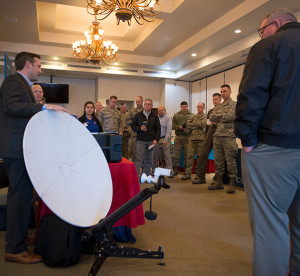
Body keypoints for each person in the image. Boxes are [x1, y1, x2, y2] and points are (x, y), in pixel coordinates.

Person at [234, 9, 300, 276]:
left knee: (270, 226)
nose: (261, 35)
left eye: (261, 30)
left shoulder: (269, 45)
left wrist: (248, 141)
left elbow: (251, 94)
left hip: (274, 149)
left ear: (277, 23)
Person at [0, 52, 67, 264]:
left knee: (23, 198)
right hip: (16, 150)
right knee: (19, 198)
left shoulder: (23, 84)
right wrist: (44, 106)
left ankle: (16, 238)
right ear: (28, 64)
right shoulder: (13, 81)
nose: (40, 70)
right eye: (38, 65)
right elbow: (10, 107)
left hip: (22, 150)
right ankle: (14, 249)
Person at [208, 84, 237, 194]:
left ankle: (232, 183)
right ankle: (219, 182)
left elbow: (231, 116)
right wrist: (222, 115)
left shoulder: (235, 105)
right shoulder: (219, 106)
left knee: (230, 161)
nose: (223, 93)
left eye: (224, 91)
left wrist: (219, 116)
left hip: (229, 136)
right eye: (221, 91)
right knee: (218, 160)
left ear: (230, 91)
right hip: (218, 136)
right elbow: (211, 117)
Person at [193, 93, 221, 184]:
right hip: (209, 134)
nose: (214, 101)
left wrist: (215, 122)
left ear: (220, 100)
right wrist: (206, 137)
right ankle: (201, 177)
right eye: (213, 99)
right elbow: (208, 124)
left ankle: (217, 179)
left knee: (218, 159)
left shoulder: (223, 110)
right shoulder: (210, 111)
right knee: (202, 156)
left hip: (219, 135)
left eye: (216, 99)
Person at [131, 99, 161, 177]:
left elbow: (158, 128)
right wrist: (139, 128)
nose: (147, 105)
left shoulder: (155, 116)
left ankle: (146, 175)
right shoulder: (138, 115)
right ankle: (135, 176)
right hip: (140, 140)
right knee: (138, 159)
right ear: (144, 105)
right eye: (146, 104)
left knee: (149, 159)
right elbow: (133, 126)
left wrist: (156, 139)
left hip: (151, 141)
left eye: (149, 104)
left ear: (152, 106)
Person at [181, 102, 206, 180]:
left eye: (200, 107)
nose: (199, 108)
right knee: (189, 157)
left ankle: (198, 175)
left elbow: (203, 124)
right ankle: (187, 174)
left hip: (201, 140)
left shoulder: (206, 117)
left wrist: (193, 124)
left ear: (204, 108)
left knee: (199, 158)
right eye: (197, 106)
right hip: (192, 139)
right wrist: (196, 124)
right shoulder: (193, 116)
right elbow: (188, 124)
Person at [172, 101, 193, 176]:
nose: (184, 108)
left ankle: (187, 171)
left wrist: (188, 128)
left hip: (188, 137)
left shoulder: (191, 115)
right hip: (179, 137)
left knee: (188, 155)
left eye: (185, 106)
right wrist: (179, 127)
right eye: (182, 106)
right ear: (180, 107)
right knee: (176, 154)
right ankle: (175, 169)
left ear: (187, 106)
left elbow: (193, 126)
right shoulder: (176, 115)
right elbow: (173, 126)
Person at [152, 105, 173, 175]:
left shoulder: (168, 118)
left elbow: (169, 130)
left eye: (162, 110)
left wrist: (166, 140)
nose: (160, 112)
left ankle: (170, 171)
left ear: (165, 110)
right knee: (155, 156)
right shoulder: (156, 118)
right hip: (157, 139)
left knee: (167, 157)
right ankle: (154, 171)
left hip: (164, 139)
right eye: (159, 110)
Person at [125, 96, 144, 162]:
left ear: (142, 101)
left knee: (143, 154)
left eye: (139, 102)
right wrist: (136, 123)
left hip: (144, 135)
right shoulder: (132, 111)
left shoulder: (145, 111)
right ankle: (134, 169)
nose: (137, 103)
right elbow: (127, 121)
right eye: (136, 102)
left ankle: (143, 170)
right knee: (134, 154)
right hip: (134, 135)